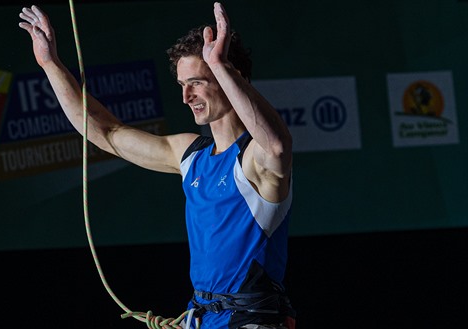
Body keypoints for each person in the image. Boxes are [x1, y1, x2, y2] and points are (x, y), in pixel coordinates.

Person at [19, 2, 295, 328]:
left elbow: (276, 146)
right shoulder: (191, 155)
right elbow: (107, 133)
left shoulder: (253, 161)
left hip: (252, 320)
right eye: (182, 85)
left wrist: (220, 66)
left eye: (197, 82)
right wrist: (50, 64)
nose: (186, 96)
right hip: (200, 318)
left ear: (233, 76)